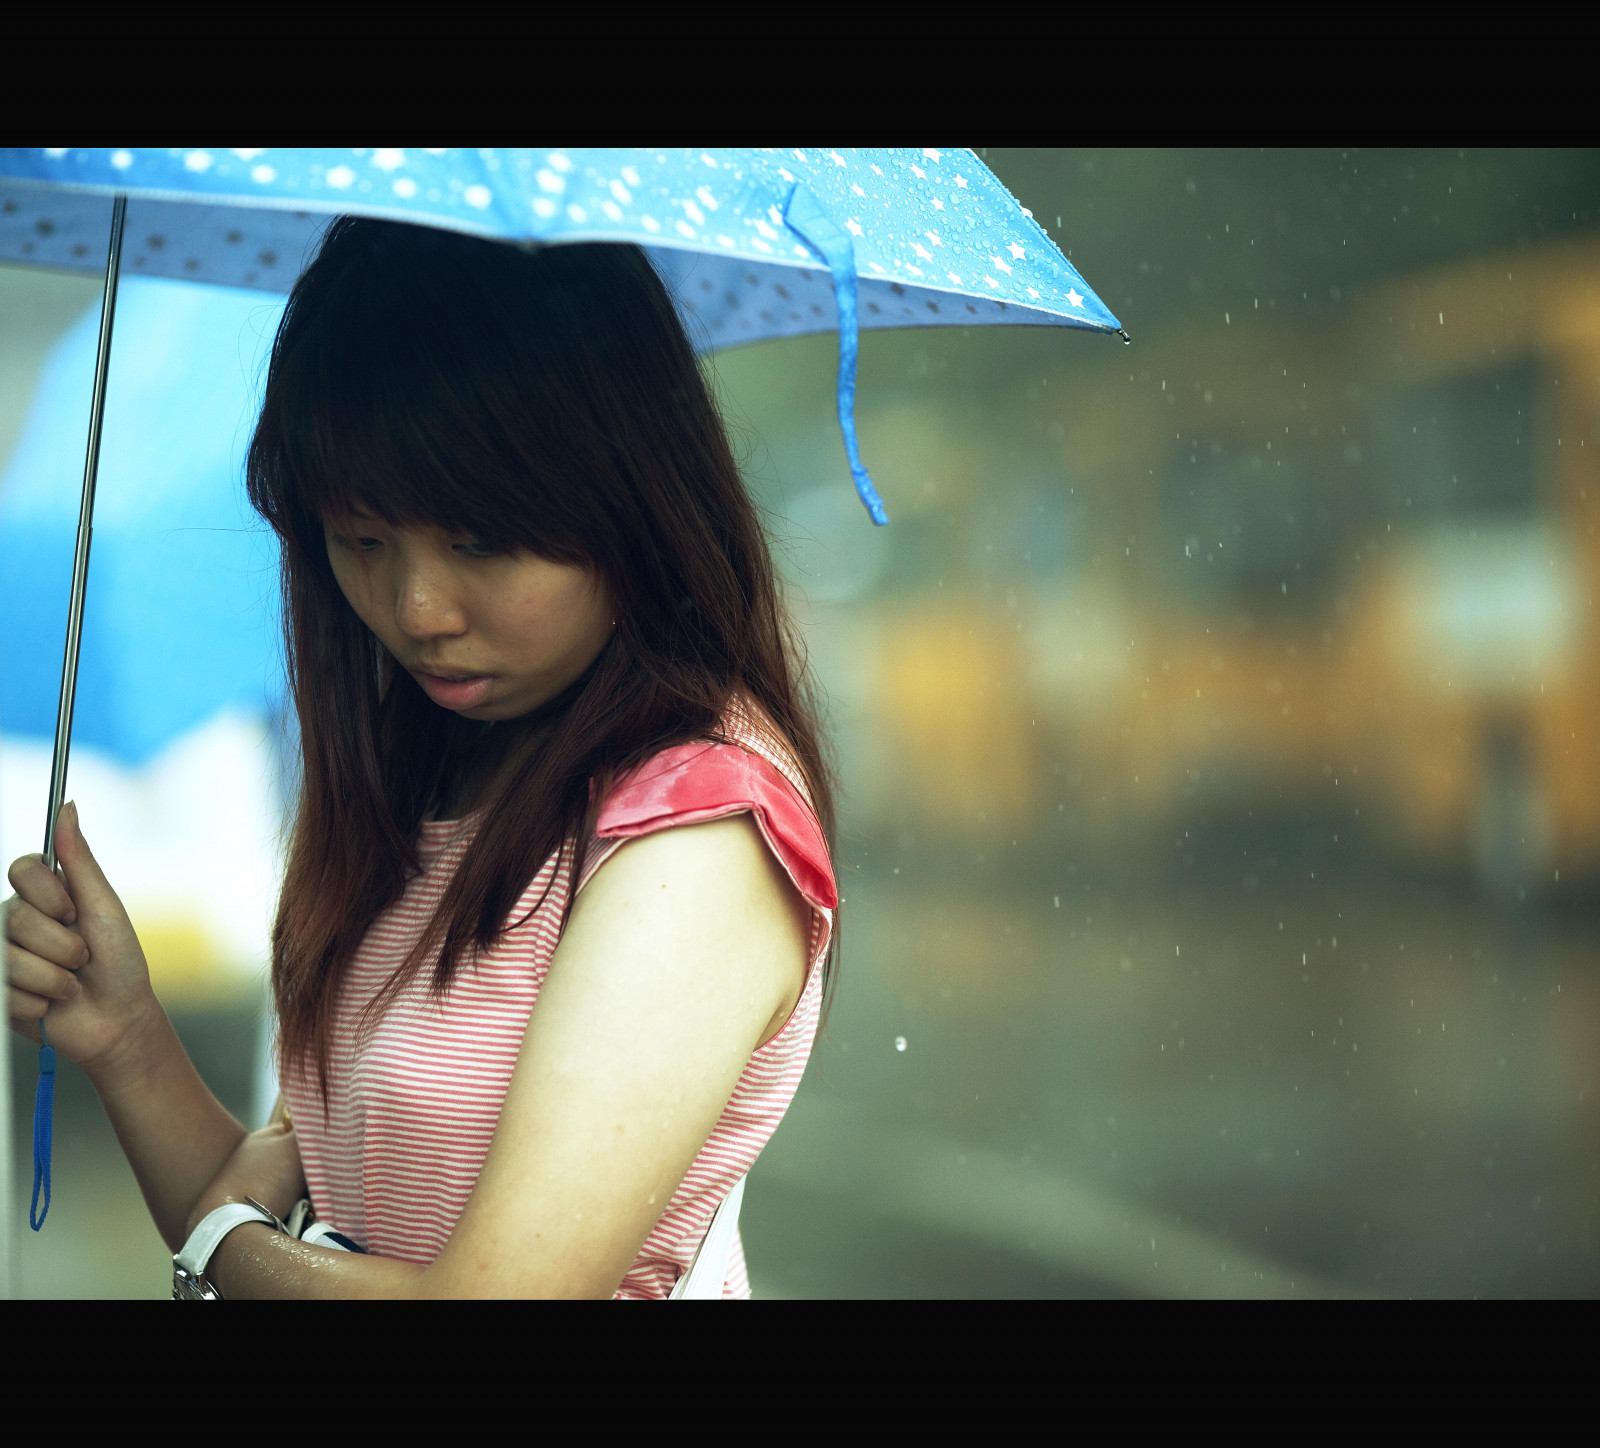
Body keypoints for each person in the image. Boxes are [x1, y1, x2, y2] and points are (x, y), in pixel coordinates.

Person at [2, 218, 838, 1299]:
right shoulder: (443, 769)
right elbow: (316, 1234)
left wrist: (217, 1245)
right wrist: (125, 1034)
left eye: (479, 541)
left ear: (628, 498)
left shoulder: (697, 833)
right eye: (362, 541)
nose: (416, 609)